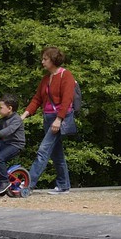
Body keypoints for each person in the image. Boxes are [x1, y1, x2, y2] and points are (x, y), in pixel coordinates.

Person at [22, 45, 78, 196]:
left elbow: (67, 100)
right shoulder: (46, 78)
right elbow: (37, 99)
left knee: (43, 150)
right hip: (47, 118)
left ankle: (27, 185)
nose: (42, 62)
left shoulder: (66, 76)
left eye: (45, 59)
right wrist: (25, 114)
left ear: (53, 60)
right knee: (56, 154)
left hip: (58, 119)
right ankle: (63, 185)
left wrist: (59, 119)